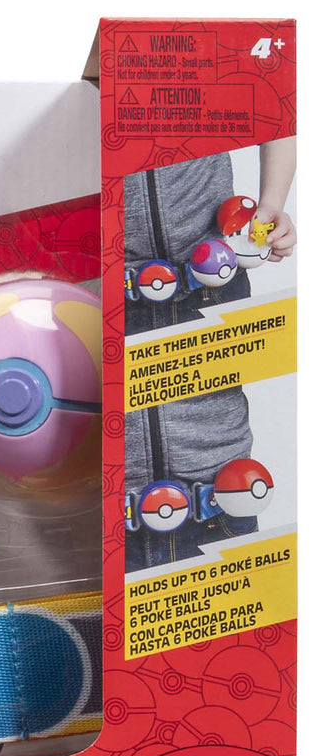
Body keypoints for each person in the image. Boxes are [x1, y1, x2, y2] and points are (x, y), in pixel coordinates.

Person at [124, 139, 296, 572]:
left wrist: (271, 204)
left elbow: (275, 106)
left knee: (211, 424)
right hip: (110, 281)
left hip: (210, 275)